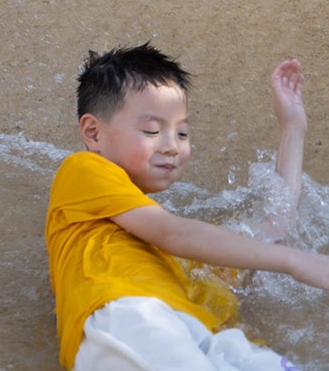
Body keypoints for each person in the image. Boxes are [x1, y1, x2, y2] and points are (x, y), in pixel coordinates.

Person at [46, 42, 329, 370]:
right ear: (93, 133)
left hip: (205, 335)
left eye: (182, 133)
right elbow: (171, 232)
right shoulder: (82, 172)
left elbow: (270, 233)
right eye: (152, 130)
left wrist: (292, 129)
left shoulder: (182, 262)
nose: (171, 147)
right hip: (131, 318)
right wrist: (297, 261)